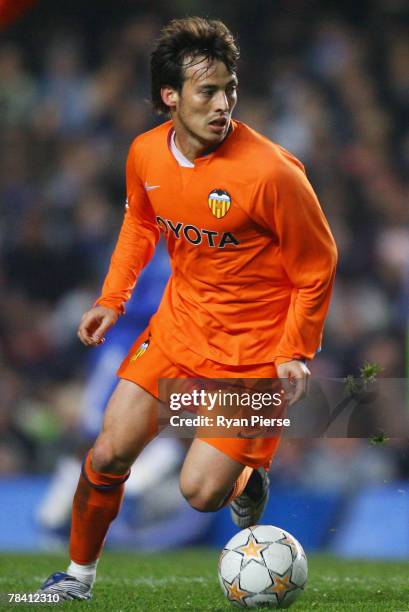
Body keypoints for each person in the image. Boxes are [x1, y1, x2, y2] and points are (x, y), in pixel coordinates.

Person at [38, 16, 337, 601]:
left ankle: (246, 479)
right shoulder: (145, 155)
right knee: (108, 451)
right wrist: (111, 300)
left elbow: (317, 265)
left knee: (199, 492)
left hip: (253, 354)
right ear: (170, 98)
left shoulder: (272, 173)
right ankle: (76, 580)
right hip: (178, 328)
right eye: (208, 91)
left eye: (230, 89)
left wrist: (296, 350)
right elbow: (139, 223)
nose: (223, 102)